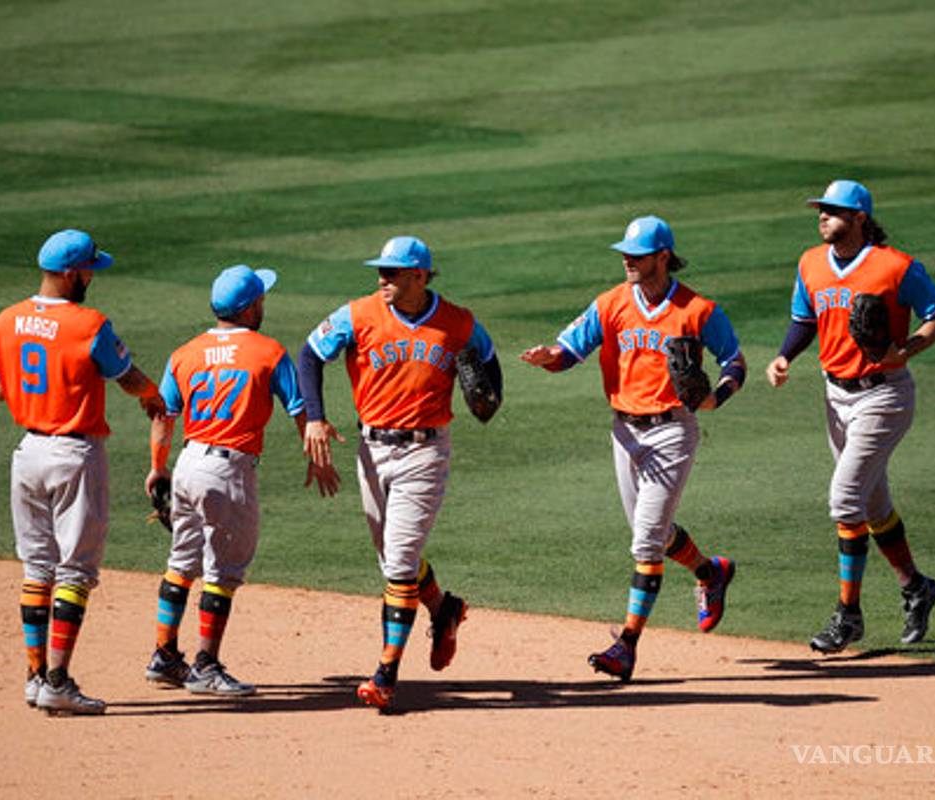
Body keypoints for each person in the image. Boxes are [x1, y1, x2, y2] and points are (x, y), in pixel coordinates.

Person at [521, 215, 746, 682]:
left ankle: (626, 645)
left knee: (645, 539)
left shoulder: (698, 309)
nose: (627, 259)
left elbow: (734, 362)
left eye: (637, 254)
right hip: (624, 431)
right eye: (624, 252)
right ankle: (710, 572)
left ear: (662, 257)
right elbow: (569, 352)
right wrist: (549, 360)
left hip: (672, 431)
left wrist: (715, 396)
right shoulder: (611, 304)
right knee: (657, 535)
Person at [297, 235, 503, 709]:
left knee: (401, 557)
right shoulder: (357, 314)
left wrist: (489, 398)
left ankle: (386, 672)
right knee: (391, 559)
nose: (381, 279)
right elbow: (310, 354)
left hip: (425, 453)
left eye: (391, 272)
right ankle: (444, 609)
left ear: (419, 276)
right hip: (371, 450)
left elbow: (490, 368)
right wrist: (313, 416)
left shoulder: (458, 322)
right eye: (380, 271)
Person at [766, 179, 935, 654]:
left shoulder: (896, 266)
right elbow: (805, 320)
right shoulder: (810, 262)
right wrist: (786, 356)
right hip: (835, 395)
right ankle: (916, 586)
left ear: (860, 217)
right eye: (820, 210)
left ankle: (848, 615)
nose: (822, 216)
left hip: (884, 396)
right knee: (871, 506)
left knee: (845, 500)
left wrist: (907, 349)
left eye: (832, 210)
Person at [0, 229, 165, 715]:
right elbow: (126, 377)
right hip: (73, 454)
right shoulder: (89, 323)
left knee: (36, 567)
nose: (92, 277)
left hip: (27, 453)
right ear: (70, 273)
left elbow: (1, 390)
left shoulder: (5, 320)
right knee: (75, 570)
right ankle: (59, 682)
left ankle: (34, 676)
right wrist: (154, 395)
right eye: (88, 270)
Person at [143, 265, 338, 696]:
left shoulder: (185, 352)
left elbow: (163, 416)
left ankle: (164, 655)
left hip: (189, 463)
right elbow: (300, 410)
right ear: (250, 307)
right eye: (261, 299)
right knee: (224, 571)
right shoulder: (268, 352)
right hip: (228, 470)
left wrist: (158, 466)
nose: (264, 305)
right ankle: (205, 666)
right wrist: (316, 456)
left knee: (182, 562)